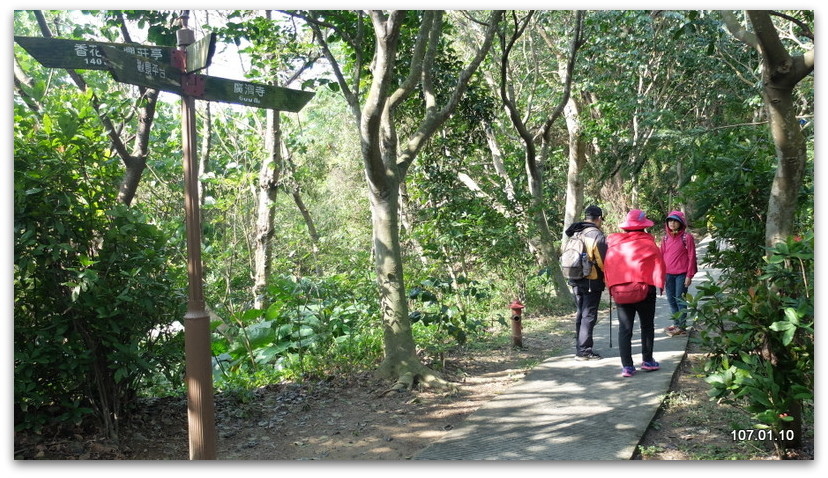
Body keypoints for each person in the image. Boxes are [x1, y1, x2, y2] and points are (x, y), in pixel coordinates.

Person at [604, 209, 666, 377]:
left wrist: (610, 287)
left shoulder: (614, 245)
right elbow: (659, 265)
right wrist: (660, 285)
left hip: (621, 291)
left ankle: (627, 366)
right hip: (645, 290)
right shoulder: (649, 244)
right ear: (644, 226)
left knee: (625, 329)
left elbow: (608, 268)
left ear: (626, 227)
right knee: (647, 326)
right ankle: (647, 361)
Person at [564, 205, 607, 360]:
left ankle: (580, 347)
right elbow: (602, 261)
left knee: (581, 313)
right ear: (599, 218)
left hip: (575, 277)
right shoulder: (595, 234)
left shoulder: (576, 231)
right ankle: (584, 351)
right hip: (591, 280)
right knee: (589, 315)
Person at [660, 210, 698, 337]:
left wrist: (689, 275)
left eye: (675, 221)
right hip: (668, 274)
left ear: (681, 223)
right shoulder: (665, 238)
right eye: (670, 220)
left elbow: (692, 256)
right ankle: (676, 324)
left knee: (680, 299)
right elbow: (661, 256)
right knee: (671, 299)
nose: (672, 223)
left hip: (681, 274)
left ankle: (681, 326)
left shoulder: (686, 237)